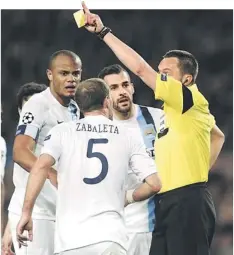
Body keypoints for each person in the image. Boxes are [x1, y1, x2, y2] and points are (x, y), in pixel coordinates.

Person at [80, 3, 225, 255]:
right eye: (159, 73)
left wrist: (103, 32)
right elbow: (218, 136)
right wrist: (197, 168)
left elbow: (139, 68)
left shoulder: (188, 97)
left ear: (186, 79)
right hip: (168, 204)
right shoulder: (176, 112)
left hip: (187, 202)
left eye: (166, 73)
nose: (160, 78)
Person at [16, 78, 162, 255]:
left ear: (80, 105)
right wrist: (128, 197)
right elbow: (154, 183)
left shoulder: (62, 132)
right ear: (106, 101)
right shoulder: (127, 135)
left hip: (70, 241)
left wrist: (26, 212)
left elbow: (40, 168)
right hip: (111, 238)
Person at [7, 50, 81, 255]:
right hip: (38, 213)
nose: (71, 79)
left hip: (61, 210)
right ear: (50, 75)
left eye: (76, 74)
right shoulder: (38, 105)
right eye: (64, 73)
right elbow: (21, 151)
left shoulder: (74, 108)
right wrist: (51, 173)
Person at [98, 64, 163, 255]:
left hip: (151, 226)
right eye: (114, 88)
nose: (122, 92)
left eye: (125, 85)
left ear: (133, 87)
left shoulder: (157, 118)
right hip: (112, 229)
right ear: (105, 95)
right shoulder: (99, 128)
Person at [2, 82, 47, 255]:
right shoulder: (21, 146)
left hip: (51, 217)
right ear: (21, 112)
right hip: (29, 220)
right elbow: (20, 189)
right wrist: (9, 229)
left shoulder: (58, 139)